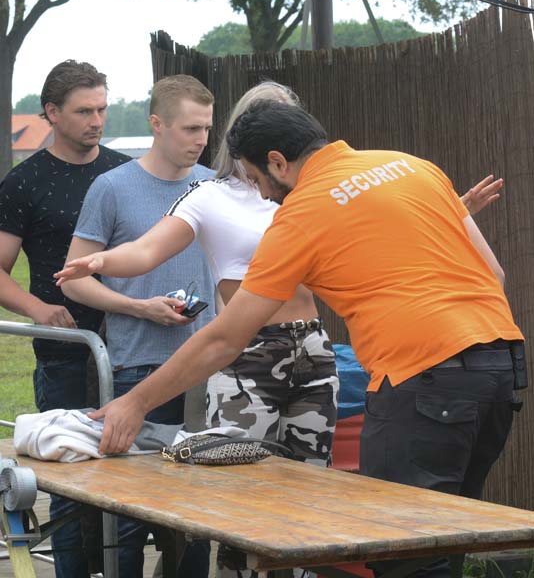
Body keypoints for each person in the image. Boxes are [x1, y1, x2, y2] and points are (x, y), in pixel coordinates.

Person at [57, 101, 521, 577]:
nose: (261, 193)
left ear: (278, 162)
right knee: (447, 535)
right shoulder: (412, 167)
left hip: (420, 379)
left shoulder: (302, 214)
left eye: (258, 178)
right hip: (499, 365)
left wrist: (134, 403)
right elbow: (495, 275)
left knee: (404, 555)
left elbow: (224, 340)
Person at [63, 80, 340, 578]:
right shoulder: (211, 194)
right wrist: (101, 260)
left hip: (312, 348)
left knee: (308, 496)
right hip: (247, 354)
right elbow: (147, 249)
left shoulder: (309, 193)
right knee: (238, 495)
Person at [60, 74, 216, 578]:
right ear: (157, 124)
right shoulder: (112, 187)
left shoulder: (214, 186)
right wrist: (139, 307)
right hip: (137, 367)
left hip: (206, 370)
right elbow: (74, 281)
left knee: (198, 516)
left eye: (206, 128)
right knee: (127, 517)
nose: (201, 139)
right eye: (190, 128)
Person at [0, 60, 130, 578]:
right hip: (66, 350)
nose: (96, 121)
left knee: (139, 476)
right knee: (71, 478)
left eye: (101, 109)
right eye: (83, 111)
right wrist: (38, 310)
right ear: (51, 113)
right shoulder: (24, 182)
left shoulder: (126, 172)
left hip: (135, 344)